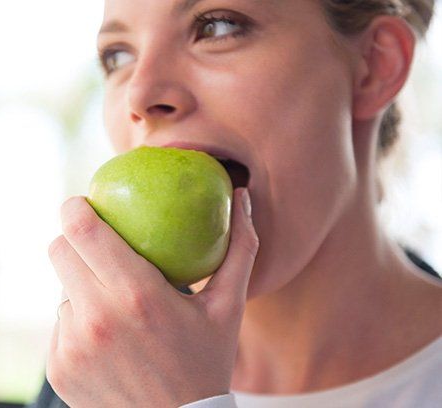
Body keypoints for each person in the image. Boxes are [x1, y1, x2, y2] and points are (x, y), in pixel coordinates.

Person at [30, 0, 442, 407]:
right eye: (117, 56)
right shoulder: (91, 375)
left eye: (218, 27)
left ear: (375, 64)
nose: (139, 93)